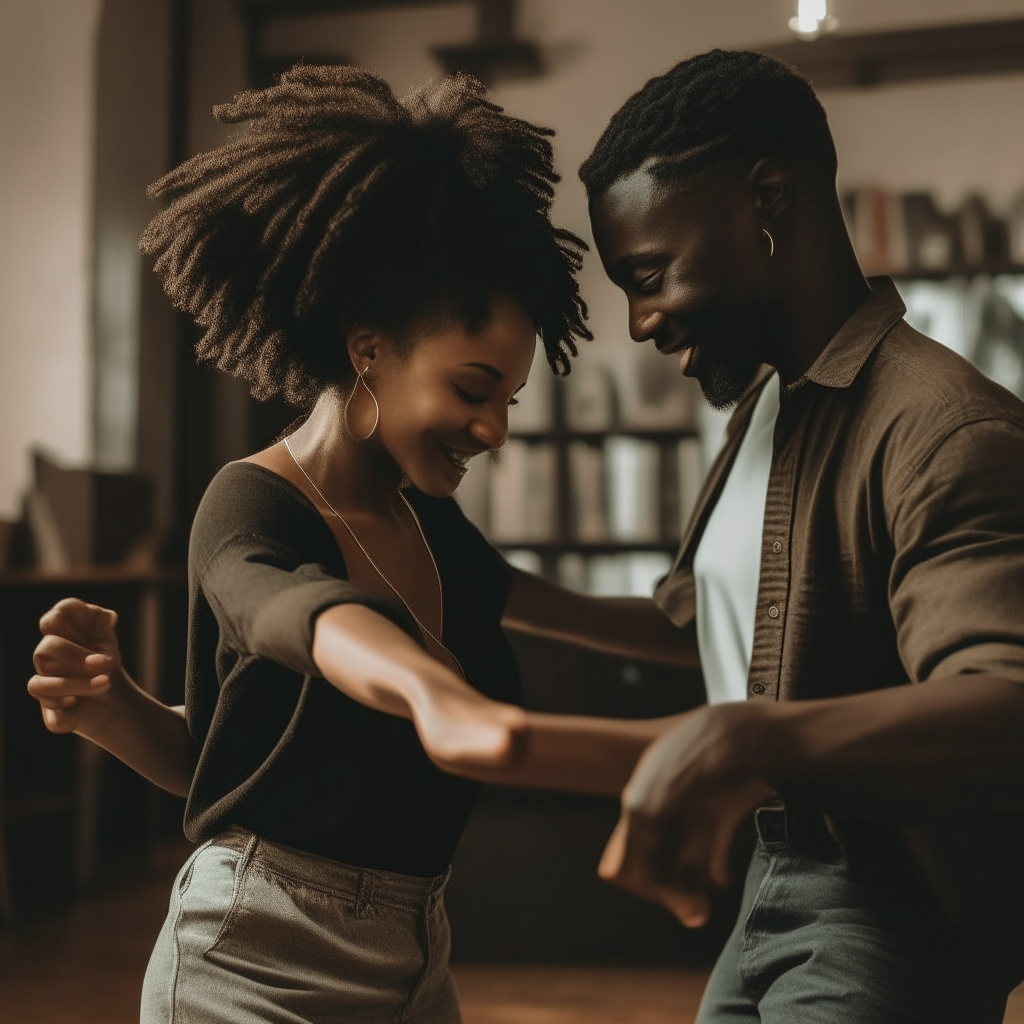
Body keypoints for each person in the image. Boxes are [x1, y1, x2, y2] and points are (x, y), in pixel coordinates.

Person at [28, 65, 697, 1024]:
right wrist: (431, 690)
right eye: (472, 391)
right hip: (251, 957)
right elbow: (299, 615)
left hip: (417, 956)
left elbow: (250, 763)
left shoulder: (431, 524)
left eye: (508, 402)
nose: (495, 432)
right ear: (369, 345)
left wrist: (752, 620)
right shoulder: (249, 507)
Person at [578, 49, 1024, 1023]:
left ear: (767, 200)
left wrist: (743, 735)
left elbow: (1006, 705)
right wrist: (494, 591)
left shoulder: (943, 425)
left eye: (646, 274)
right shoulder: (766, 412)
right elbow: (702, 623)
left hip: (888, 912)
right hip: (770, 885)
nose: (640, 321)